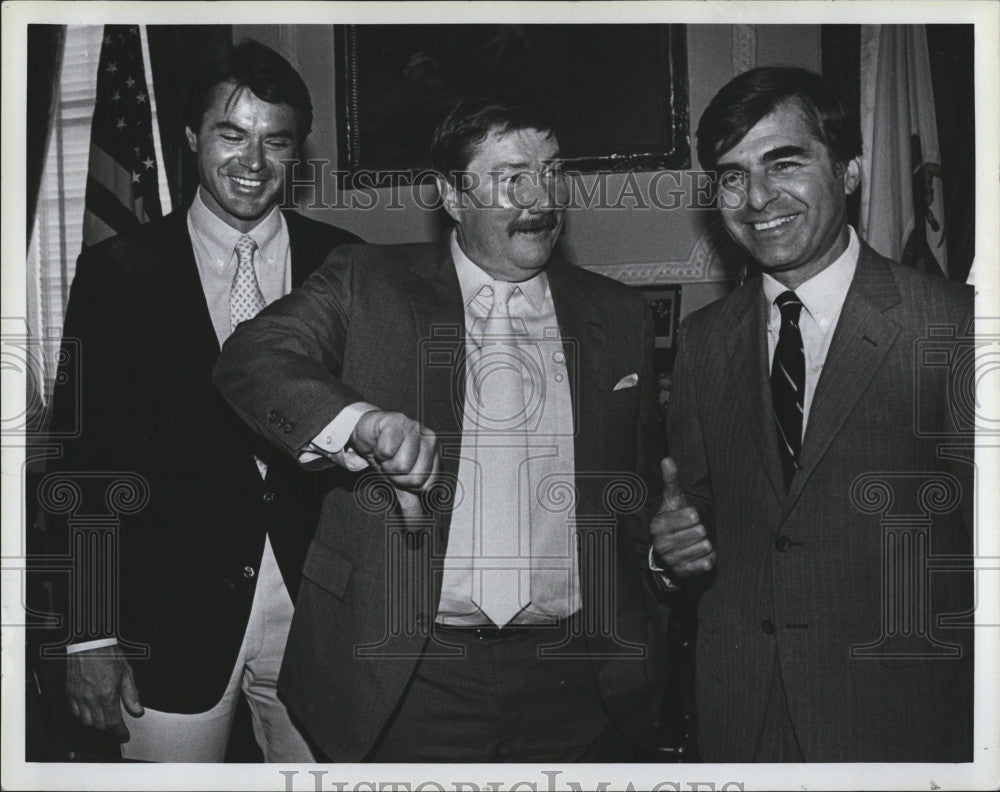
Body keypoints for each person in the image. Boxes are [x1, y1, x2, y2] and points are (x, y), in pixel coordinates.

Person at [213, 95, 668, 762]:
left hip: (577, 677)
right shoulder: (367, 282)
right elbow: (251, 359)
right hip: (410, 673)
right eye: (511, 176)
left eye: (551, 171)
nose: (541, 197)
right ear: (453, 196)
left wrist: (666, 550)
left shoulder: (619, 315)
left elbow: (640, 498)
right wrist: (360, 423)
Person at [45, 40, 362, 761]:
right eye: (232, 134)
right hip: (169, 618)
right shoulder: (117, 273)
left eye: (274, 141)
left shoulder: (348, 264)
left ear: (296, 156)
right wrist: (90, 631)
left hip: (316, 613)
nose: (253, 162)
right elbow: (84, 461)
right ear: (191, 139)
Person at [652, 66, 974, 762]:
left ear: (851, 170)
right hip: (742, 720)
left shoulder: (954, 326)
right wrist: (672, 554)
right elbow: (699, 514)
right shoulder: (704, 341)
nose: (757, 197)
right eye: (732, 176)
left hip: (904, 724)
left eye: (784, 163)